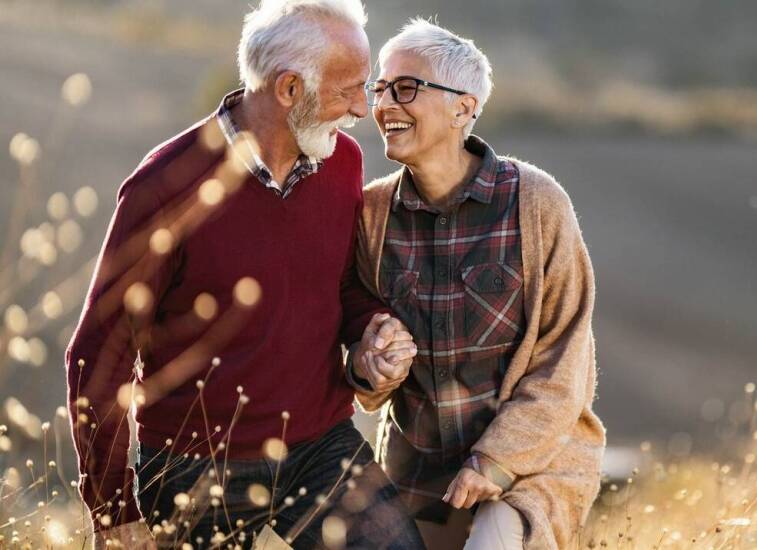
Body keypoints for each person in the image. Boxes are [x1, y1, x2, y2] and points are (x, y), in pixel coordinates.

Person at [66, 1, 424, 548]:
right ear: (287, 90)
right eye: (348, 89)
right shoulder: (165, 187)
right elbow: (98, 354)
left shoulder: (342, 161)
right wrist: (113, 513)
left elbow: (337, 282)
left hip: (319, 446)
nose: (361, 108)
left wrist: (371, 327)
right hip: (194, 465)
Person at [348, 18, 606, 550]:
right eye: (380, 88)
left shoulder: (536, 203)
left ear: (463, 108)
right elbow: (352, 342)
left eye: (407, 88)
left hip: (529, 466)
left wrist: (496, 460)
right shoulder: (370, 215)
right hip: (415, 476)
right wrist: (369, 367)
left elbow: (566, 359)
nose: (385, 104)